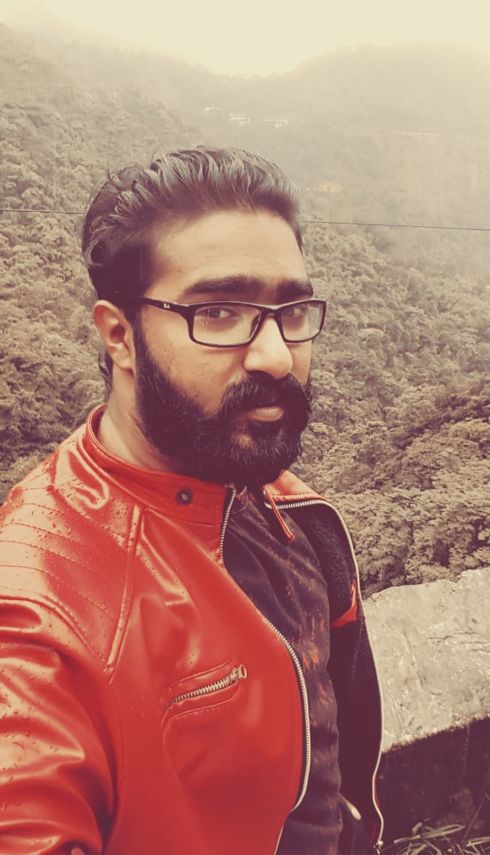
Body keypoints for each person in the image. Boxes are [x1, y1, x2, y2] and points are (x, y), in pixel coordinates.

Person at [0, 147, 384, 855]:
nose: (276, 355)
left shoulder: (283, 508)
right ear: (119, 335)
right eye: (220, 312)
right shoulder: (37, 607)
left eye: (291, 310)